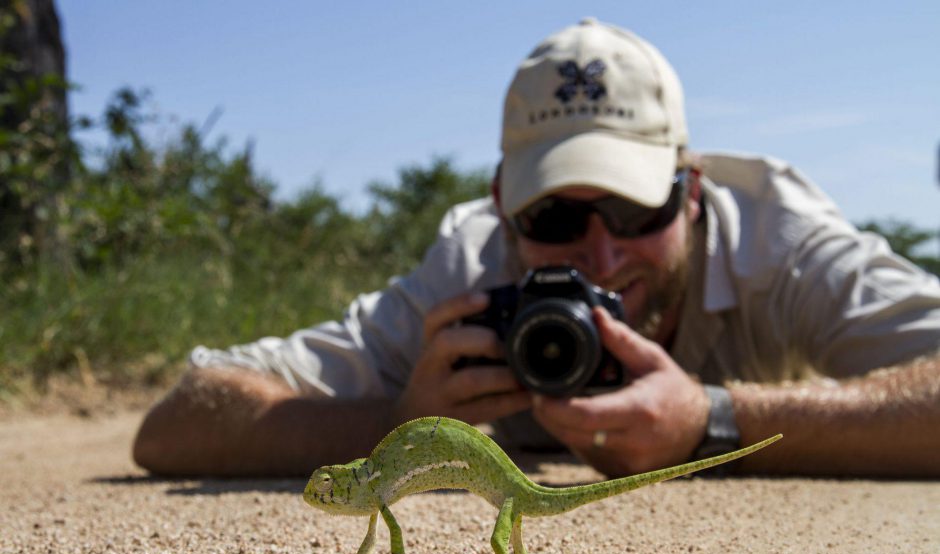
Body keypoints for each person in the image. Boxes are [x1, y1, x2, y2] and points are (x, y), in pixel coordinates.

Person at [133, 18, 940, 478]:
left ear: (691, 193)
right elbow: (178, 422)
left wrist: (715, 419)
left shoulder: (777, 237)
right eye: (552, 217)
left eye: (632, 209)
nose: (598, 254)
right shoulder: (471, 269)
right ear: (502, 209)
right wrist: (401, 420)